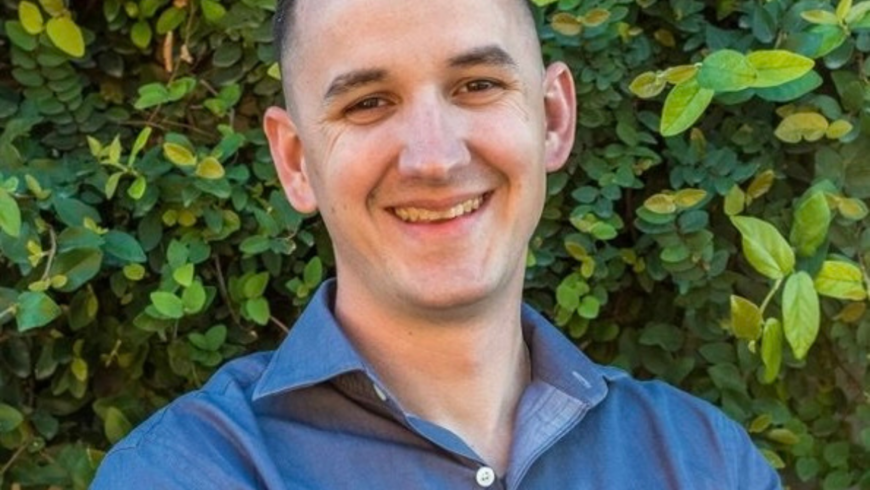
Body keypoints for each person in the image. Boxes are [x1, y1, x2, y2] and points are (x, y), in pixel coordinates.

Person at [92, 0, 783, 488]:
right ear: (296, 161)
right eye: (367, 103)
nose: (433, 158)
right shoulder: (190, 472)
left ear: (551, 117)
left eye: (477, 85)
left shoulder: (702, 462)